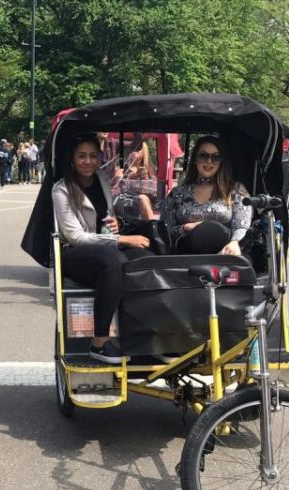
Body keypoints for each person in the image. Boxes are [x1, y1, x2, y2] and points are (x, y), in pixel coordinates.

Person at [52, 134, 152, 364]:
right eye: (82, 156)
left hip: (105, 245)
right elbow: (75, 236)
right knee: (112, 260)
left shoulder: (102, 180)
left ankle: (144, 334)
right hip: (75, 253)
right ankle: (99, 342)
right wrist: (122, 241)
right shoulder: (62, 189)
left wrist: (116, 224)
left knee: (145, 258)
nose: (87, 161)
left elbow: (107, 216)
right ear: (72, 159)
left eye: (92, 156)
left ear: (99, 159)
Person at [161, 135, 251, 255]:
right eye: (203, 155)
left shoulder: (235, 190)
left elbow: (242, 226)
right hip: (183, 258)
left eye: (216, 157)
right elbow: (164, 231)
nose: (209, 161)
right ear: (195, 159)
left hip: (224, 256)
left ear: (222, 161)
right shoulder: (177, 193)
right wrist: (185, 228)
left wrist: (234, 242)